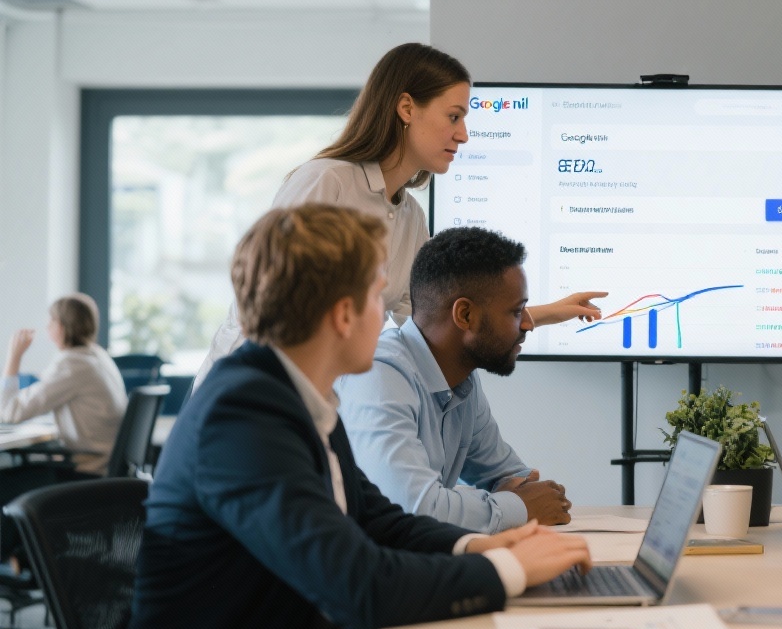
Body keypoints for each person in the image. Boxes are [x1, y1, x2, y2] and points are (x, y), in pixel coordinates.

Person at [110, 205, 591, 629]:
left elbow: (379, 521)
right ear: (344, 314)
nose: (388, 316)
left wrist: (481, 544)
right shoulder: (241, 415)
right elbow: (357, 586)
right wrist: (506, 569)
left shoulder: (302, 398)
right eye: (378, 296)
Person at [195, 42, 605, 386]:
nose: (463, 134)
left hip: (313, 396)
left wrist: (545, 314)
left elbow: (433, 324)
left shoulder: (409, 217)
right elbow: (269, 303)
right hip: (251, 389)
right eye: (454, 116)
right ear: (407, 108)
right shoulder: (326, 182)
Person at [336, 227, 571, 533]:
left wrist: (524, 496)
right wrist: (519, 507)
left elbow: (514, 479)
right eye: (516, 311)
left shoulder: (462, 380)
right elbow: (411, 509)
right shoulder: (380, 376)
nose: (528, 324)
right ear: (465, 315)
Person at [1, 293, 126, 474]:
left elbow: (10, 412)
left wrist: (14, 357)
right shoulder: (97, 355)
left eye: (51, 320)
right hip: (106, 464)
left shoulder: (72, 364)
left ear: (62, 327)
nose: (47, 326)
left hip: (87, 470)